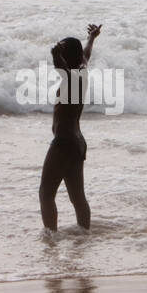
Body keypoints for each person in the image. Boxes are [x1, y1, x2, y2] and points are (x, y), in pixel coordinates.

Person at [40, 23, 101, 230]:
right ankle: (84, 234)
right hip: (77, 143)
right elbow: (85, 54)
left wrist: (55, 55)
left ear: (68, 57)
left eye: (63, 51)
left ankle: (50, 238)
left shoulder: (72, 79)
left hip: (63, 143)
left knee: (46, 194)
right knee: (77, 197)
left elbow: (61, 68)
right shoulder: (82, 71)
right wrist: (91, 39)